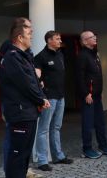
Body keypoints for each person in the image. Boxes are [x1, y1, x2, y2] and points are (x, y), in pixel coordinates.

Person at [0, 18, 50, 178]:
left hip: (28, 113)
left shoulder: (24, 57)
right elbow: (26, 83)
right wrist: (40, 100)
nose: (32, 35)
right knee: (17, 156)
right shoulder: (12, 57)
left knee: (24, 156)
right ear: (20, 38)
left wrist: (40, 98)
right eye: (28, 32)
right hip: (20, 113)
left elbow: (34, 81)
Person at [34, 31, 73, 171]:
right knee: (43, 129)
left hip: (61, 96)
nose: (60, 40)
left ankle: (58, 156)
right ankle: (42, 161)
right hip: (49, 98)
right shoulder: (40, 57)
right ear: (49, 41)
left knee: (56, 127)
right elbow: (36, 79)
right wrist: (42, 97)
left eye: (60, 38)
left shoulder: (60, 54)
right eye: (57, 39)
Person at [76, 31, 107, 159]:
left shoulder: (95, 54)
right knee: (88, 124)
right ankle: (87, 148)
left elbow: (97, 76)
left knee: (100, 122)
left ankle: (103, 145)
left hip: (97, 95)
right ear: (84, 41)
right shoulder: (82, 56)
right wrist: (86, 93)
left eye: (95, 36)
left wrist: (99, 92)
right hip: (88, 96)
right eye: (91, 37)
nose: (95, 38)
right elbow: (79, 77)